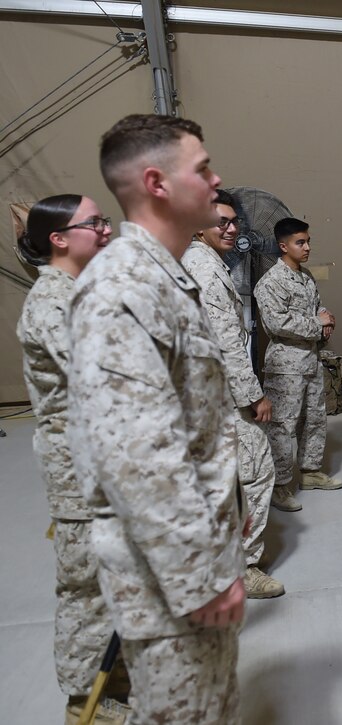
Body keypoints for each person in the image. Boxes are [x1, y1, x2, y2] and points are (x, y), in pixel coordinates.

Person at [67, 114, 245, 723]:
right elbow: (140, 459)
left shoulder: (168, 280)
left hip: (195, 569)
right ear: (157, 183)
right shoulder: (122, 291)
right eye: (202, 168)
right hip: (172, 590)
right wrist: (204, 580)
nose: (216, 180)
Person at [16, 195, 130, 723]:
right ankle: (85, 700)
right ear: (59, 239)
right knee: (87, 586)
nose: (105, 229)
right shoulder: (53, 302)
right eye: (94, 222)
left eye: (105, 219)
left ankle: (118, 679)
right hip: (82, 472)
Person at [182, 190, 284, 599]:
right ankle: (244, 567)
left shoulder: (199, 261)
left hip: (203, 393)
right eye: (220, 222)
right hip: (221, 396)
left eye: (233, 220)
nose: (231, 228)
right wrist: (253, 396)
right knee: (257, 472)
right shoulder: (204, 269)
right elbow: (226, 341)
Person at [254, 217, 342, 511]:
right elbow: (277, 323)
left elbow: (316, 306)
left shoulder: (306, 278)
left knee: (315, 419)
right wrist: (317, 325)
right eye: (300, 243)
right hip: (285, 366)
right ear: (283, 246)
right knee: (282, 426)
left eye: (308, 241)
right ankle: (279, 485)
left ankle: (310, 471)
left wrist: (325, 319)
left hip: (310, 361)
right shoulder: (270, 282)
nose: (307, 247)